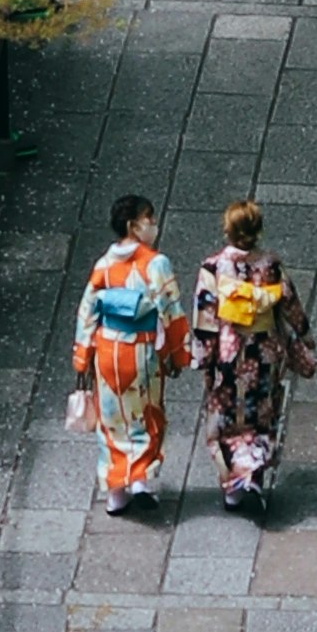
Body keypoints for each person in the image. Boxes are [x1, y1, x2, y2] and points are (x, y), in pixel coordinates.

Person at [189, 202, 317, 516]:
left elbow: (206, 317)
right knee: (262, 413)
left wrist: (204, 359)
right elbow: (288, 302)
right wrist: (304, 334)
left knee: (226, 416)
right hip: (265, 352)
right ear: (258, 231)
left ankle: (233, 483)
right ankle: (254, 476)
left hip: (230, 351)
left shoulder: (213, 267)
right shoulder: (270, 265)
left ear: (227, 231)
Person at [70, 195, 184, 516]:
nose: (153, 224)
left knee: (111, 419)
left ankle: (115, 493)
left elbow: (87, 312)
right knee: (146, 415)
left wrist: (82, 355)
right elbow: (171, 310)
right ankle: (140, 481)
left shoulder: (103, 265)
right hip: (141, 349)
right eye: (149, 218)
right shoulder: (155, 263)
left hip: (106, 350)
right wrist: (179, 353)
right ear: (134, 226)